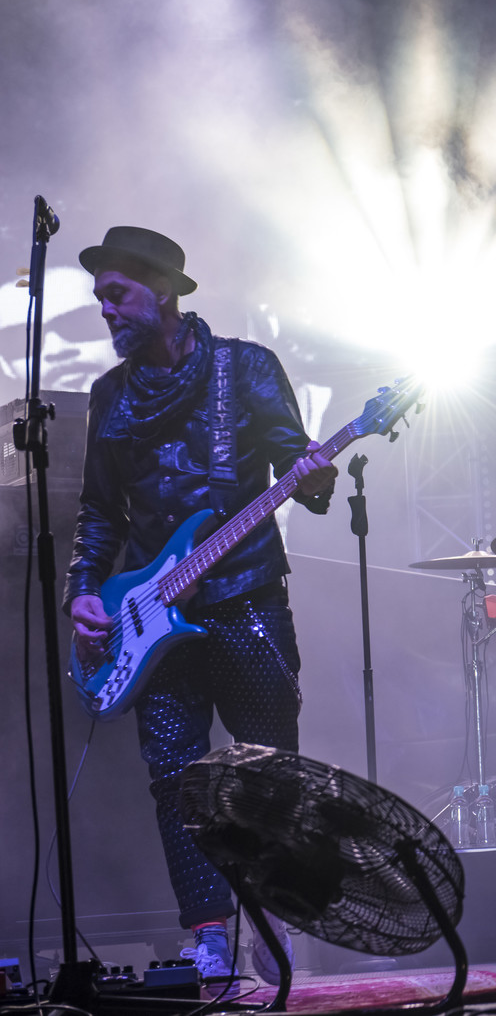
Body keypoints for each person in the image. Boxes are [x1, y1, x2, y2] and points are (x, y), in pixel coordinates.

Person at [65, 227, 336, 988]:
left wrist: (316, 479)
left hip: (245, 596)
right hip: (151, 618)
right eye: (100, 298)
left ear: (163, 291)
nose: (105, 310)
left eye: (116, 294)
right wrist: (83, 591)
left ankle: (274, 919)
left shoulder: (244, 368)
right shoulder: (109, 396)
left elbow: (298, 469)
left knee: (269, 769)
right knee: (175, 778)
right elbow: (100, 512)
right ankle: (209, 937)